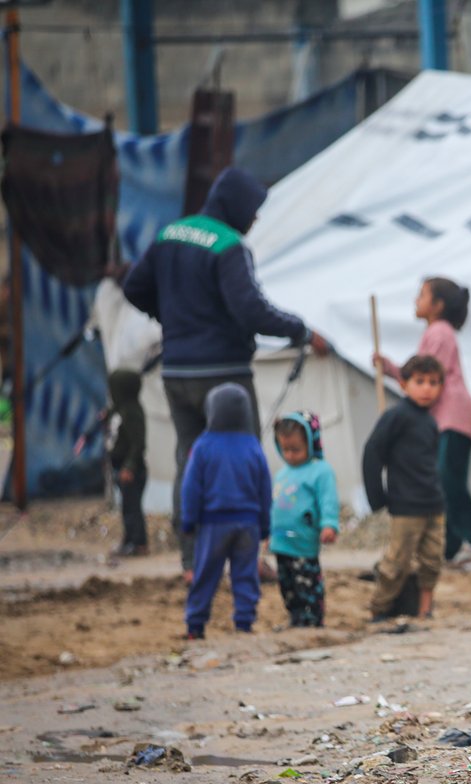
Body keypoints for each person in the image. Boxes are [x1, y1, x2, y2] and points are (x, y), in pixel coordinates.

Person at [122, 166, 329, 580]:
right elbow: (250, 309)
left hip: (177, 372)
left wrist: (175, 320)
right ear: (234, 206)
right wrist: (301, 331)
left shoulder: (170, 235)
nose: (254, 220)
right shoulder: (229, 246)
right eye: (252, 211)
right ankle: (246, 559)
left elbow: (133, 288)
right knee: (243, 461)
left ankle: (190, 561)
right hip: (224, 375)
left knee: (190, 460)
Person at [372, 277, 471, 567]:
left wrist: (393, 371)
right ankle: (449, 547)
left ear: (437, 305)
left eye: (421, 295)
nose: (416, 301)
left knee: (447, 481)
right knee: (441, 481)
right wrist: (390, 368)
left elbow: (426, 373)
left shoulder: (439, 332)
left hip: (452, 417)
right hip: (448, 418)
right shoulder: (436, 332)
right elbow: (420, 372)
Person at [181, 383, 271, 639]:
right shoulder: (252, 445)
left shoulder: (203, 445)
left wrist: (189, 521)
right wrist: (265, 525)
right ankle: (244, 622)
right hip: (248, 524)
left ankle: (195, 625)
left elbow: (191, 487)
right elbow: (264, 487)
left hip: (213, 523)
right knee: (245, 574)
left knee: (206, 574)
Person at [363, 354, 445, 621]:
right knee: (396, 562)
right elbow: (373, 452)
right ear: (403, 384)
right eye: (419, 381)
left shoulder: (431, 422)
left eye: (433, 382)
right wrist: (377, 496)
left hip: (433, 503)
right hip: (406, 506)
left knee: (432, 560)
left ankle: (425, 609)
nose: (426, 388)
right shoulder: (396, 416)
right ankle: (379, 609)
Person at [269, 411, 339, 628]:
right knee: (287, 585)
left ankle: (314, 619)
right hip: (281, 542)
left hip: (304, 541)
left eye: (296, 449)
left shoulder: (320, 471)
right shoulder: (282, 473)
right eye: (285, 449)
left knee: (307, 583)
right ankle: (296, 618)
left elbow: (328, 500)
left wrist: (329, 524)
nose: (289, 455)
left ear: (311, 442)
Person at [106, 369, 148, 557]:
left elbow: (138, 443)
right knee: (126, 507)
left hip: (132, 469)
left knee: (133, 508)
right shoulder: (119, 410)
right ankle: (129, 539)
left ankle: (138, 542)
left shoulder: (132, 412)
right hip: (119, 465)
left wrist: (129, 466)